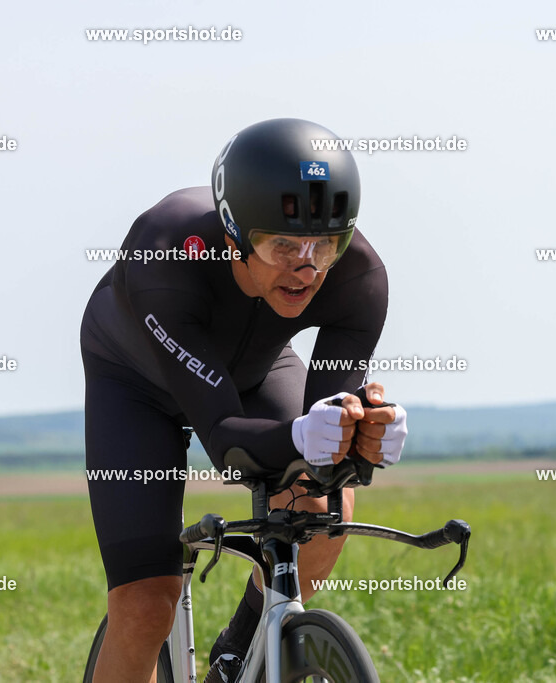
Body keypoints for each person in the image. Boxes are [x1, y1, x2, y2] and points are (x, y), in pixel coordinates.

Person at [80, 118, 408, 683]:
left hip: (254, 370)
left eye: (324, 244)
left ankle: (238, 656)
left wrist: (363, 430)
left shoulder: (358, 277)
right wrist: (306, 435)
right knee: (144, 606)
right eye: (283, 244)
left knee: (328, 505)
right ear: (233, 231)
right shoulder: (167, 252)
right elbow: (227, 439)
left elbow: (330, 413)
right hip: (134, 383)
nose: (306, 269)